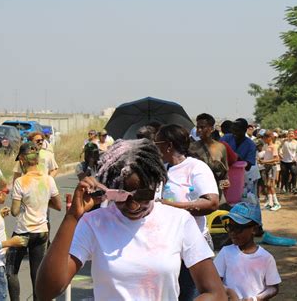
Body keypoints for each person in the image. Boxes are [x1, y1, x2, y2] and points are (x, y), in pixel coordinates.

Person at [35, 139, 227, 300]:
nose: (133, 205)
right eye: (122, 195)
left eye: (143, 195)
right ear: (109, 188)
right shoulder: (94, 223)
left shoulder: (179, 221)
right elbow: (46, 291)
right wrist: (72, 217)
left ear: (157, 184)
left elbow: (215, 293)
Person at [154, 124, 220, 301]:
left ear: (168, 145)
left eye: (157, 143)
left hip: (193, 245)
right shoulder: (162, 169)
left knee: (190, 295)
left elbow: (212, 202)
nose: (155, 147)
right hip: (168, 245)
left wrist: (172, 207)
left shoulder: (195, 167)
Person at [6, 143, 62, 301]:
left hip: (23, 232)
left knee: (11, 271)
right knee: (37, 273)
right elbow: (58, 205)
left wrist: (23, 202)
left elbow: (14, 211)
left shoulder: (20, 182)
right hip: (42, 233)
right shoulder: (49, 180)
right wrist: (43, 201)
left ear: (22, 160)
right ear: (37, 161)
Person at [214, 202, 281, 300]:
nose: (232, 233)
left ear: (254, 229)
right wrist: (228, 291)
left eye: (238, 229)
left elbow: (273, 288)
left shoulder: (266, 258)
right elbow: (214, 281)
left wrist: (256, 299)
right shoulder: (226, 252)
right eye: (230, 227)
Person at [189, 113, 230, 196]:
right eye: (198, 127)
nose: (199, 130)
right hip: (198, 191)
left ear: (211, 129)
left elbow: (225, 173)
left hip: (216, 192)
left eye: (202, 127)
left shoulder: (221, 147)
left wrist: (225, 183)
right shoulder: (191, 148)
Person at [259, 131, 281, 211]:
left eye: (264, 138)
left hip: (271, 167)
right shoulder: (266, 146)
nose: (263, 139)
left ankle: (276, 203)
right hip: (266, 167)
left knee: (270, 185)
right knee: (267, 185)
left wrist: (264, 162)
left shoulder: (274, 147)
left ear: (269, 138)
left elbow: (276, 158)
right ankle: (270, 203)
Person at [279, 129, 297, 194]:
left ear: (294, 135)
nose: (291, 135)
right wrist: (280, 154)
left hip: (292, 161)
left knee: (294, 174)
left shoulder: (296, 142)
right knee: (285, 175)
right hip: (284, 161)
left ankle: (294, 188)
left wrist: (296, 157)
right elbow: (279, 148)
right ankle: (287, 188)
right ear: (287, 134)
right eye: (289, 133)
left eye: (292, 134)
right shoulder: (284, 141)